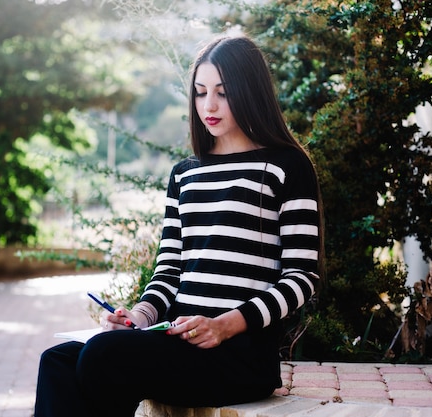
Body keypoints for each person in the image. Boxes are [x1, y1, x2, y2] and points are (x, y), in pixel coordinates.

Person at [34, 35, 322, 417]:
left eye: (223, 92)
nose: (210, 105)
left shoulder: (287, 167)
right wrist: (138, 318)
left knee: (103, 357)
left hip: (239, 355)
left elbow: (302, 277)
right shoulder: (185, 174)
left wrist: (224, 326)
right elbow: (169, 271)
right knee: (56, 360)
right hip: (176, 340)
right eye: (201, 93)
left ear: (250, 92)